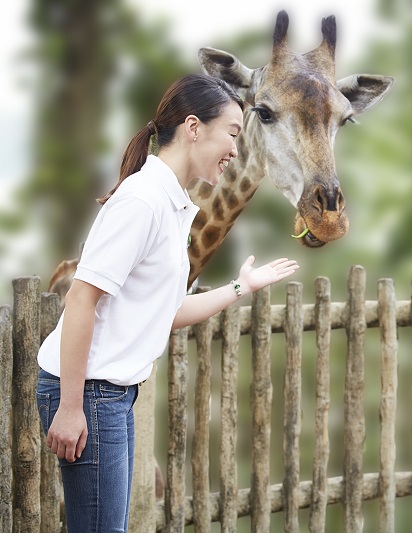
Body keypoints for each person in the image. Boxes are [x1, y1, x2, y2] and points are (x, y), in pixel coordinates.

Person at [35, 73, 299, 532]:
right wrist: (72, 406)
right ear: (193, 128)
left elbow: (167, 313)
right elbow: (81, 299)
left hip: (109, 396)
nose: (236, 150)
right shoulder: (143, 202)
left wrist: (242, 287)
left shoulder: (171, 204)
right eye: (232, 134)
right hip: (90, 393)